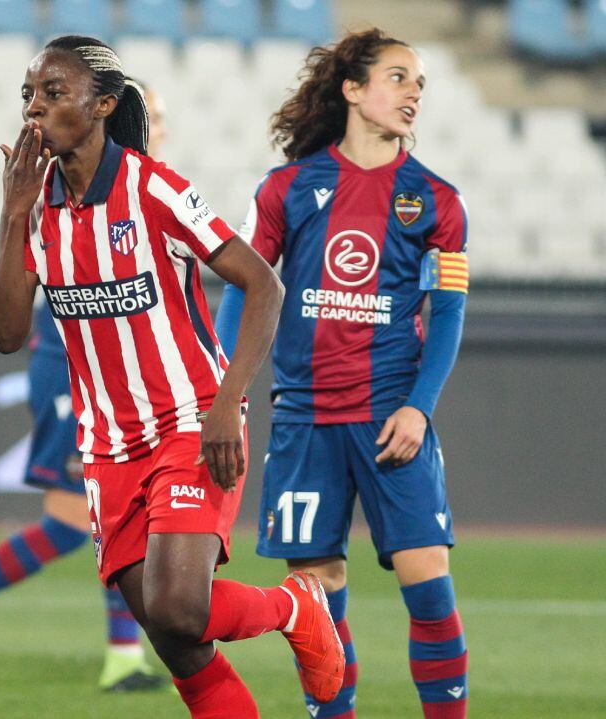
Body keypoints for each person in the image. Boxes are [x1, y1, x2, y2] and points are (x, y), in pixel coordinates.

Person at [0, 35, 344, 719]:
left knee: (182, 606)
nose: (34, 109)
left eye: (52, 93)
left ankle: (295, 605)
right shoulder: (35, 208)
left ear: (104, 105)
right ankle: (291, 605)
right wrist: (11, 212)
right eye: (27, 95)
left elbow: (263, 285)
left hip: (190, 418)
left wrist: (228, 401)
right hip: (107, 446)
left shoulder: (153, 187)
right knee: (176, 640)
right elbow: (4, 334)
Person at [214, 28, 470, 719]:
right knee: (318, 600)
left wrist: (419, 406)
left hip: (391, 415)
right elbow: (240, 286)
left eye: (420, 83)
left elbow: (447, 314)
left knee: (428, 581)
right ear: (353, 89)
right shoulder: (287, 189)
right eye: (398, 76)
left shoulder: (438, 201)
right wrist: (223, 382)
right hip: (304, 420)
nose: (414, 91)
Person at [0, 83, 172, 695]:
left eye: (159, 116)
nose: (154, 124)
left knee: (111, 514)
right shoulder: (66, 185)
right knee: (82, 517)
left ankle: (120, 654)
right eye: (148, 113)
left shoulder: (141, 184)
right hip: (70, 365)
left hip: (113, 372)